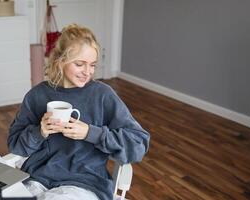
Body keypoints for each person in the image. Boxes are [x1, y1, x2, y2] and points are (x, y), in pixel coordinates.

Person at [8, 24, 150, 200]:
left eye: (92, 65)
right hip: (37, 179)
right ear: (60, 60)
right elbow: (15, 145)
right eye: (79, 64)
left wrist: (91, 133)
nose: (87, 72)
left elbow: (138, 144)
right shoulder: (37, 95)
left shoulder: (102, 95)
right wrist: (40, 131)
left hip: (83, 183)